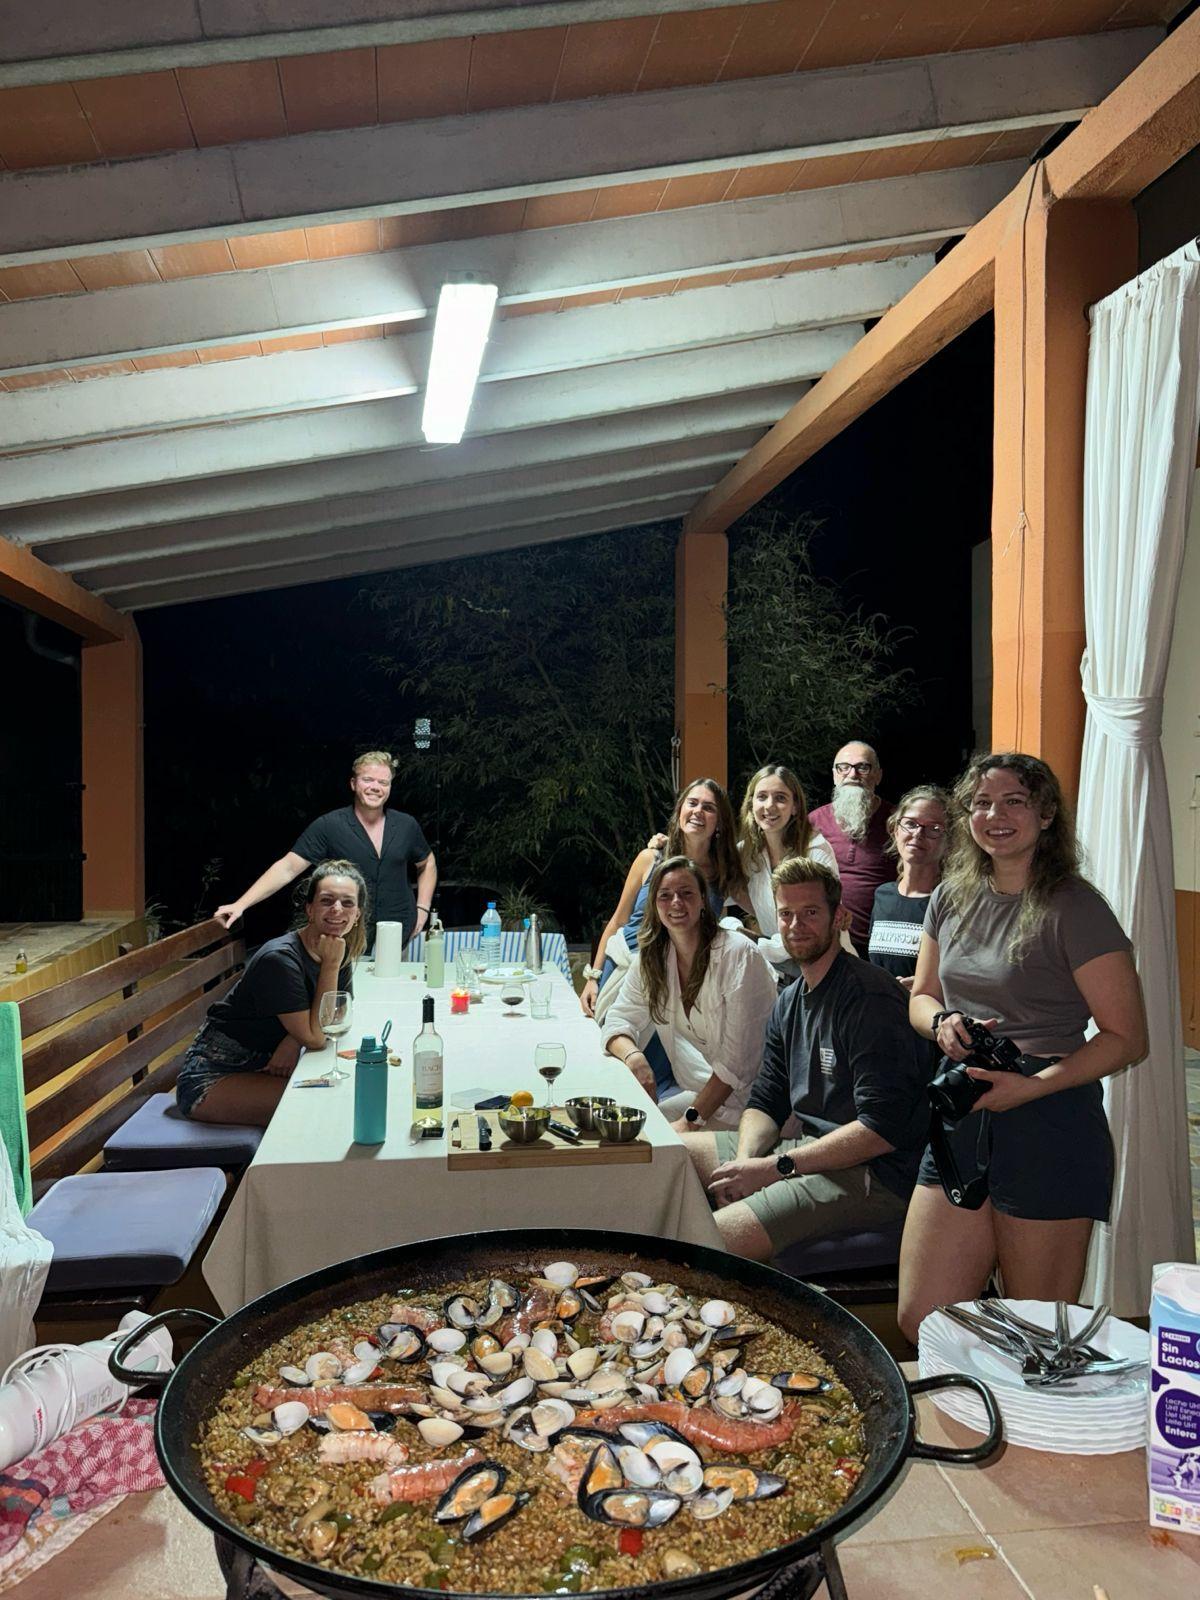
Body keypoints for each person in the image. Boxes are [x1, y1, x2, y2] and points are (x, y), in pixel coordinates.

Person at [896, 753, 1146, 1344]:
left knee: (1035, 1327)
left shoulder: (1075, 906)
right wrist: (942, 1024)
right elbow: (921, 997)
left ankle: (1028, 1433)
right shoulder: (950, 896)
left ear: (1046, 814)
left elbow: (1127, 1038)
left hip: (1049, 1118)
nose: (995, 815)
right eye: (981, 802)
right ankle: (973, 1418)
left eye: (1014, 801)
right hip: (964, 1110)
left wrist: (1033, 1086)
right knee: (923, 1316)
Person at [682, 856, 929, 1262]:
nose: (796, 925)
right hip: (809, 1148)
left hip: (874, 1172)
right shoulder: (790, 1001)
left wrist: (774, 1168)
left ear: (839, 918)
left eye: (810, 912)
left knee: (711, 1240)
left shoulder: (869, 998)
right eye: (786, 914)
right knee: (672, 1152)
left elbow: (880, 1130)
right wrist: (746, 1162)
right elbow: (767, 1100)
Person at [176, 860, 367, 1127]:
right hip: (213, 1079)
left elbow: (337, 1012)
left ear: (357, 914)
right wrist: (330, 967)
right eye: (327, 900)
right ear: (310, 910)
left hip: (263, 1067)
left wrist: (292, 1039)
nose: (337, 909)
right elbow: (316, 1038)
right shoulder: (280, 960)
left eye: (347, 903)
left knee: (349, 1094)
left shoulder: (335, 946)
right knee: (325, 1107)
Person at [599, 856, 778, 1131]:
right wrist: (634, 1057)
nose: (676, 903)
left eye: (686, 893)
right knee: (624, 1133)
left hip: (754, 1106)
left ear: (703, 900)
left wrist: (688, 1123)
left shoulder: (738, 955)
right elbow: (618, 1020)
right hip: (702, 1095)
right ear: (654, 904)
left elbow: (736, 1066)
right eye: (665, 895)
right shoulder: (653, 958)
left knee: (659, 1148)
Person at [214, 751, 435, 948]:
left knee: (391, 989)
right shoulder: (329, 826)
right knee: (343, 991)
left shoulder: (406, 825)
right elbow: (288, 867)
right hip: (345, 931)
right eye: (368, 780)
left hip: (398, 930)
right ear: (353, 783)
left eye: (383, 782)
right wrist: (241, 904)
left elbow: (427, 863)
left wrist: (422, 908)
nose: (376, 787)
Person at [578, 776, 745, 1022]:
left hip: (677, 986)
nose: (698, 811)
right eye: (692, 803)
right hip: (623, 972)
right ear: (680, 812)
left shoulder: (722, 876)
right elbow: (617, 922)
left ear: (719, 823)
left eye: (708, 808)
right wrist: (593, 977)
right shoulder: (651, 859)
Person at [737, 765, 837, 974]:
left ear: (795, 807)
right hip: (777, 971)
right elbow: (712, 885)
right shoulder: (747, 854)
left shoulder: (816, 851)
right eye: (762, 797)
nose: (769, 806)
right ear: (751, 803)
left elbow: (823, 923)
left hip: (824, 968)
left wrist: (760, 945)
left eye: (781, 798)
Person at [808, 741, 892, 956]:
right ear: (835, 775)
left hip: (881, 944)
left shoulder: (897, 821)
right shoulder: (813, 822)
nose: (852, 774)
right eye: (843, 767)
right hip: (827, 942)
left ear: (878, 775)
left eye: (862, 767)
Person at [867, 784, 951, 989]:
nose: (918, 834)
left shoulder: (949, 901)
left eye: (934, 828)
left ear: (949, 841)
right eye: (911, 824)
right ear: (895, 830)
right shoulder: (882, 895)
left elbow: (963, 973)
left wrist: (927, 985)